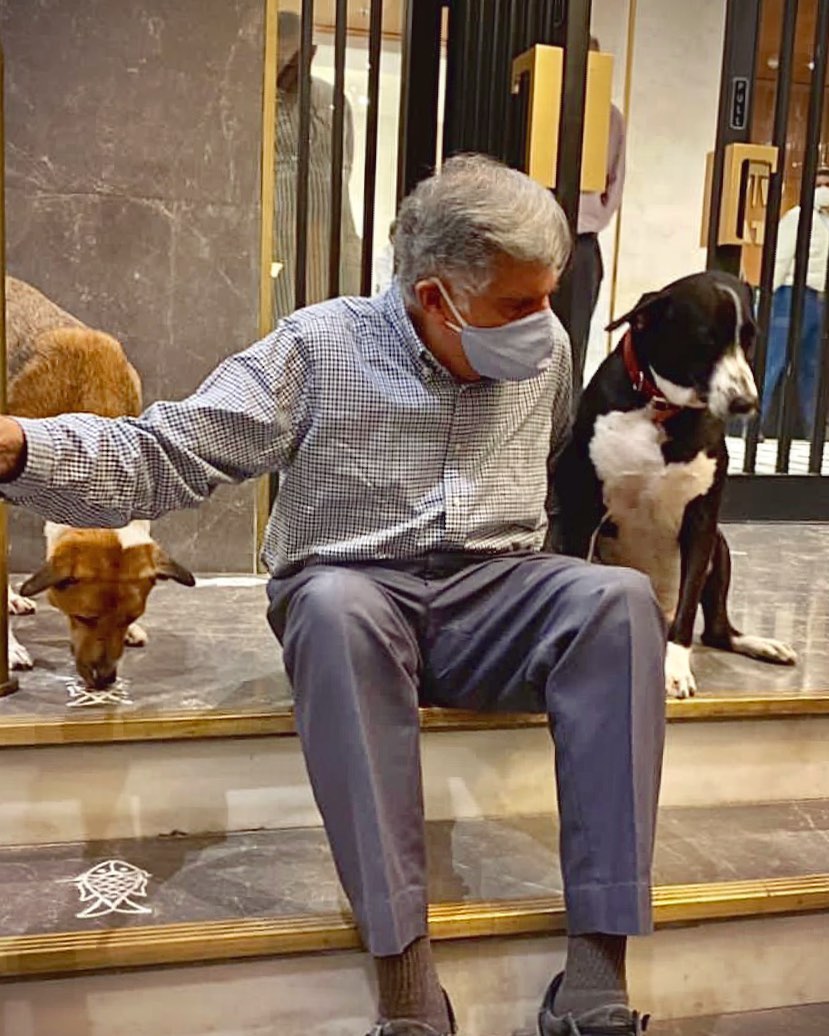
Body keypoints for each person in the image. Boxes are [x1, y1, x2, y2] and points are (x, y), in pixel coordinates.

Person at [0, 155, 665, 1036]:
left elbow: (543, 456)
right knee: (334, 608)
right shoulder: (315, 349)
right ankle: (405, 990)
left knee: (616, 599)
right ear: (436, 297)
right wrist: (17, 447)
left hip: (495, 587)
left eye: (548, 298)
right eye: (515, 304)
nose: (540, 325)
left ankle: (595, 982)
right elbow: (163, 453)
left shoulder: (543, 353)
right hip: (355, 590)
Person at [273, 10, 362, 318]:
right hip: (279, 243)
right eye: (287, 57)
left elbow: (344, 166)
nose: (293, 65)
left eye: (300, 55)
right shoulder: (255, 102)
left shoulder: (331, 98)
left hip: (332, 237)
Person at [552, 35, 626, 404]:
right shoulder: (546, 104)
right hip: (544, 237)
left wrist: (592, 218)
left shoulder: (610, 117)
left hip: (581, 240)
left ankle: (564, 425)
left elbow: (615, 182)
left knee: (573, 339)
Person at [761, 166, 829, 439]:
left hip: (816, 297)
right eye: (820, 183)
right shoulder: (798, 217)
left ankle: (814, 432)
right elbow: (780, 256)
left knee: (810, 366)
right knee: (774, 360)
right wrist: (770, 293)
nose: (824, 189)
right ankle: (753, 423)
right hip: (790, 293)